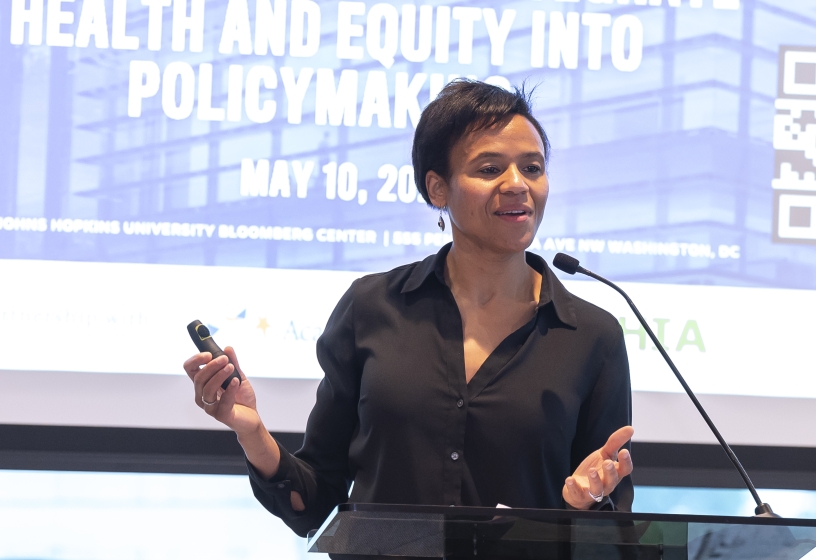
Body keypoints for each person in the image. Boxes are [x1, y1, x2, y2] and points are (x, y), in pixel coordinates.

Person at [183, 80, 634, 537]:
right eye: (489, 168)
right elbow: (315, 501)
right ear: (438, 188)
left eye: (532, 168)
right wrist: (252, 432)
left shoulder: (591, 336)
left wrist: (588, 503)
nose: (517, 185)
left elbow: (612, 530)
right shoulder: (372, 308)